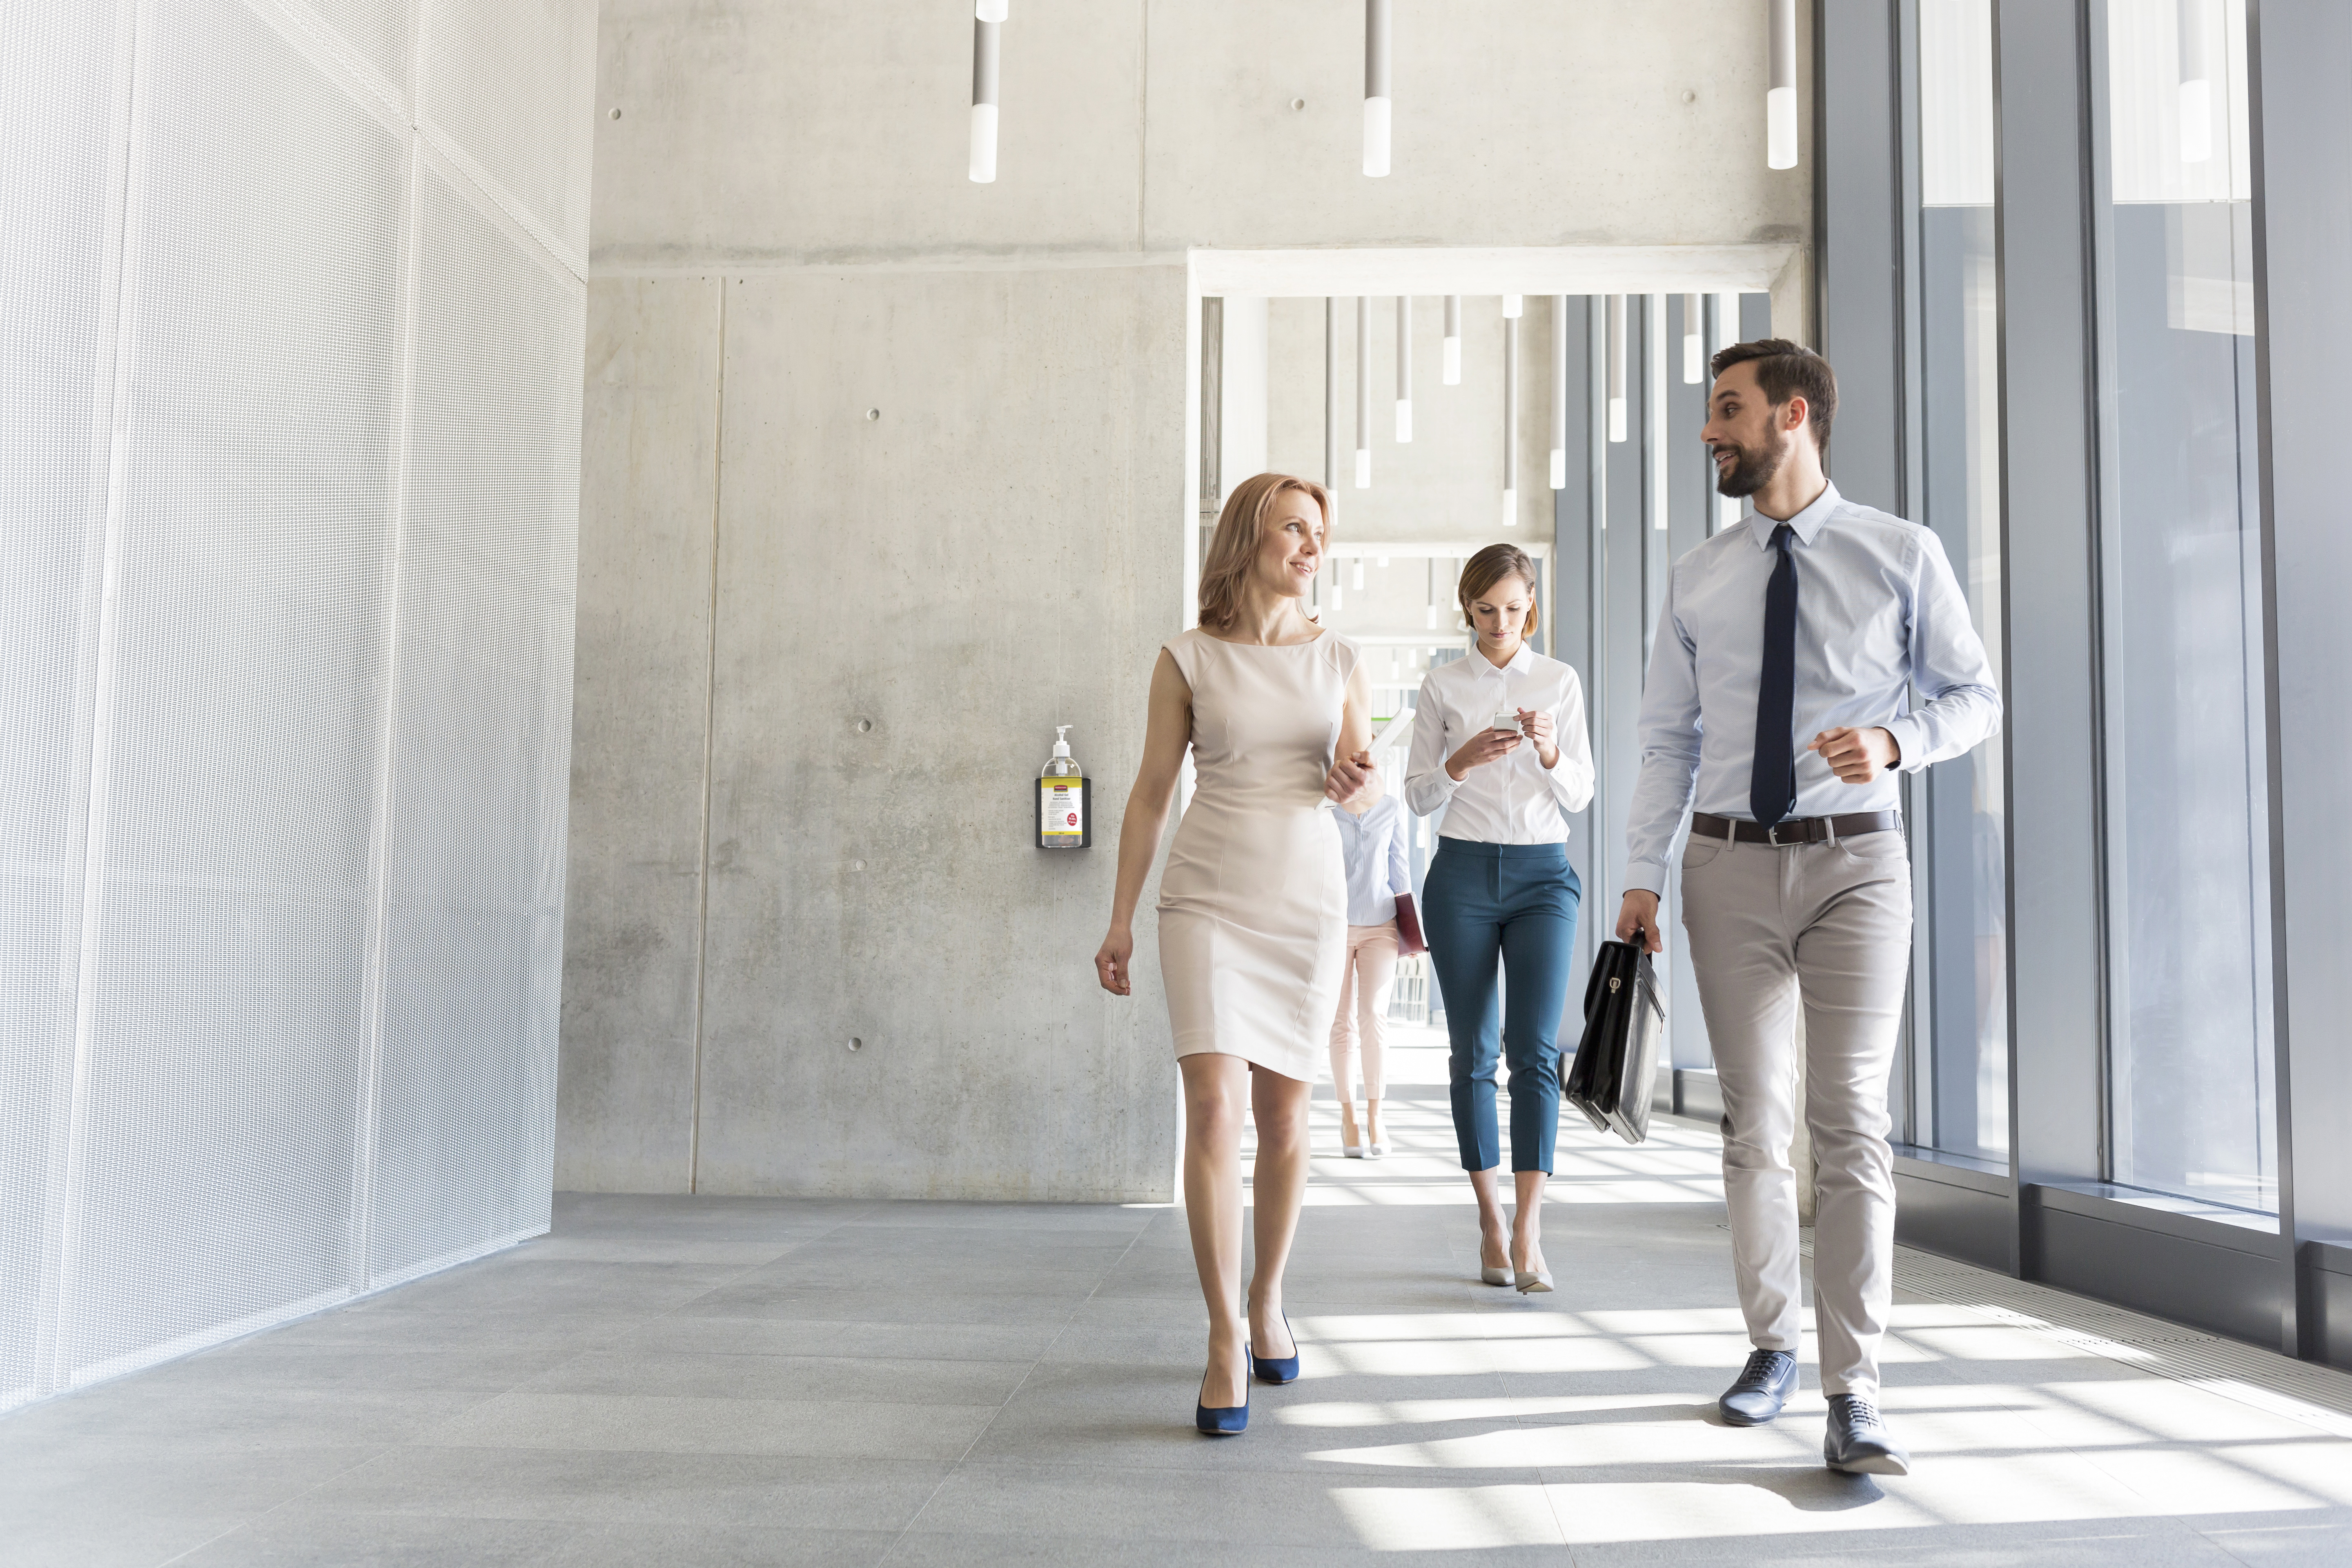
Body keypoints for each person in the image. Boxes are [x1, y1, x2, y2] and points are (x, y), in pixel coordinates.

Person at [1617, 339, 2000, 1476]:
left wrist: (1894, 739)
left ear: (1793, 416)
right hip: (1724, 869)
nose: (1709, 432)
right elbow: (1667, 740)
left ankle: (1857, 1388)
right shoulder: (1698, 576)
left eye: (1726, 411)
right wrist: (1640, 873)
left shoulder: (1901, 554)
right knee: (1752, 1124)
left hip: (1857, 866)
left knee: (1849, 1124)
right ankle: (1771, 1346)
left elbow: (1975, 695)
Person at [1094, 471, 1377, 1437]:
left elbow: (1364, 792)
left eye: (1320, 531)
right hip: (1205, 896)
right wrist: (1120, 917)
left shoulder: (1337, 657)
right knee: (1212, 1106)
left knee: (1284, 1115)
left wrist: (1352, 780)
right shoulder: (1186, 658)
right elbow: (1146, 792)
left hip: (1304, 900)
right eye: (1293, 526)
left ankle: (1267, 1298)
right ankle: (1221, 1334)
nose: (1311, 545)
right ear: (1247, 536)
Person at [1403, 544, 1594, 1295]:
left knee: (1536, 1052)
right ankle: (1488, 1218)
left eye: (1514, 609)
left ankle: (1529, 1228)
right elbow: (1417, 795)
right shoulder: (1443, 685)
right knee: (1472, 1052)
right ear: (1467, 608)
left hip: (1545, 875)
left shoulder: (1559, 681)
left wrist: (1550, 753)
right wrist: (1462, 760)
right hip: (1461, 876)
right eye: (1486, 610)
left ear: (1532, 606)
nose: (1499, 623)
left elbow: (1580, 794)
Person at [1330, 788, 1410, 1159]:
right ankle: (1349, 1117)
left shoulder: (1392, 807)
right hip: (1333, 927)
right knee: (1341, 1022)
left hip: (1382, 924)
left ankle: (1376, 1115)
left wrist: (1411, 932)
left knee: (1374, 1016)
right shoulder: (1325, 807)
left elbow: (1401, 872)